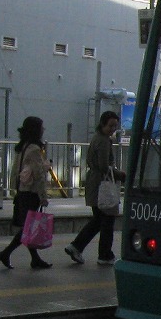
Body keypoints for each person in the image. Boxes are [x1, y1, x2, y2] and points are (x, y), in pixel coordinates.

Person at [64, 111, 125, 265]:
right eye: (110, 125)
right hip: (103, 185)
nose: (113, 129)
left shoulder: (96, 138)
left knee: (98, 220)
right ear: (103, 124)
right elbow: (104, 166)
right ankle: (105, 254)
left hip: (94, 182)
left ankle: (76, 246)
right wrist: (121, 175)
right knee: (107, 221)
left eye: (115, 126)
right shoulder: (104, 141)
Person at [0, 116, 51, 269]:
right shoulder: (34, 149)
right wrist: (43, 196)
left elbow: (15, 170)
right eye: (41, 127)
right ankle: (6, 253)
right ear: (36, 130)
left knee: (28, 226)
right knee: (28, 228)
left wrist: (16, 188)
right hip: (31, 192)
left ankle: (34, 259)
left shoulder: (23, 147)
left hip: (22, 191)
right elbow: (38, 175)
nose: (43, 130)